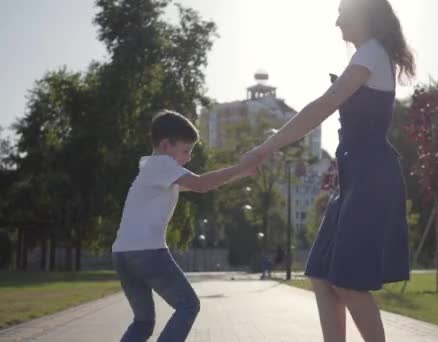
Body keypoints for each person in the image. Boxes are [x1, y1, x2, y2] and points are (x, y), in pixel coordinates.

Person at [239, 0, 415, 340]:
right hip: (353, 178)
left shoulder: (372, 53)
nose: (336, 23)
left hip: (371, 177)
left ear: (363, 16)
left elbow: (321, 107)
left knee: (348, 284)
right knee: (321, 275)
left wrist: (265, 148)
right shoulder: (368, 54)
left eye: (342, 13)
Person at [112, 110, 254, 342]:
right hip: (147, 252)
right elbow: (201, 184)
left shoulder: (150, 168)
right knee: (188, 305)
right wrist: (240, 167)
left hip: (122, 254)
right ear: (166, 145)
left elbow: (200, 184)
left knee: (143, 322)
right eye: (185, 151)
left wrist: (240, 173)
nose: (188, 158)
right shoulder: (163, 165)